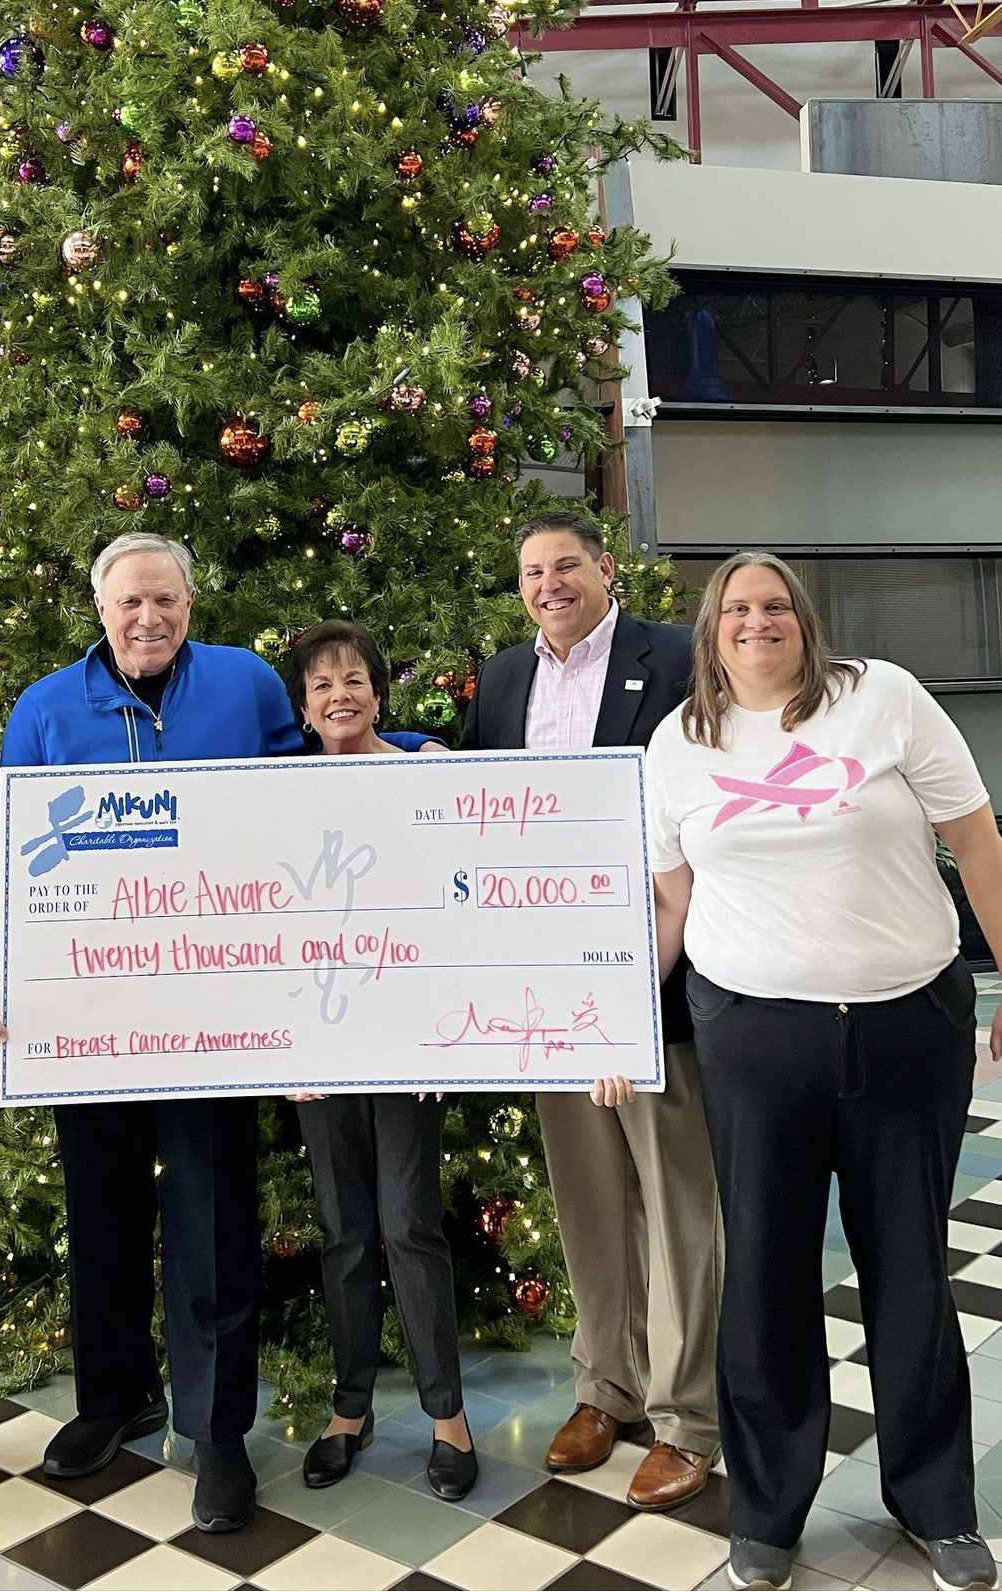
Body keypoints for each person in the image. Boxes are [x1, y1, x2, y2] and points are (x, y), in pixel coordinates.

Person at [648, 551, 1002, 1592]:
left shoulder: (883, 698)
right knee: (764, 1272)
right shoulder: (677, 744)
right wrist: (610, 1021)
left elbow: (978, 841)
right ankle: (766, 1511)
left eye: (775, 605)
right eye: (737, 609)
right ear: (711, 631)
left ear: (805, 619)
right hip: (754, 1038)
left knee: (909, 1265)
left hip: (907, 1026)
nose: (758, 621)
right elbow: (672, 905)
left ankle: (937, 1502)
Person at [0, 532, 303, 1535]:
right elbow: (13, 872)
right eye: (128, 604)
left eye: (165, 600)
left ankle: (217, 1430)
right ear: (99, 611)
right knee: (102, 1213)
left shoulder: (246, 685)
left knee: (212, 1221)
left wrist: (407, 762)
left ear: (190, 604)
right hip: (89, 1015)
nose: (147, 618)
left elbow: (315, 795)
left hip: (212, 1018)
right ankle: (116, 1397)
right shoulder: (44, 709)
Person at [460, 512, 722, 1510]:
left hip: (662, 977)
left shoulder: (676, 658)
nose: (550, 581)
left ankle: (686, 1417)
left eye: (567, 562)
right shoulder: (504, 679)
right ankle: (602, 1388)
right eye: (532, 569)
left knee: (678, 1205)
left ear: (605, 568)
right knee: (588, 1200)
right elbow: (481, 817)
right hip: (548, 993)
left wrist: (642, 986)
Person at [281, 620, 477, 1502]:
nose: (339, 696)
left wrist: (443, 1026)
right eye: (322, 685)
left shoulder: (422, 773)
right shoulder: (272, 791)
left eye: (353, 678)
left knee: (410, 1224)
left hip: (406, 1042)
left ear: (377, 691)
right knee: (347, 1232)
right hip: (318, 1045)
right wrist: (281, 1043)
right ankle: (349, 1410)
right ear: (303, 706)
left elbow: (452, 901)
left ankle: (448, 1416)